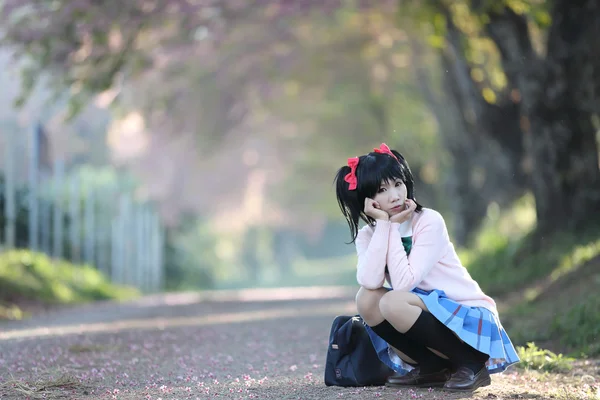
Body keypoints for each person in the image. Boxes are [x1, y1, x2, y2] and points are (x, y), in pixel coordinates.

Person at [333, 143, 520, 391]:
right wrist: (386, 226)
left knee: (392, 302)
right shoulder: (369, 234)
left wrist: (390, 227)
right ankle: (432, 367)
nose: (395, 195)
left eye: (398, 184)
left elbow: (403, 283)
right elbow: (370, 282)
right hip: (423, 311)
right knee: (366, 298)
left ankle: (471, 363)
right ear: (367, 199)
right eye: (382, 190)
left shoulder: (428, 221)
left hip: (465, 316)